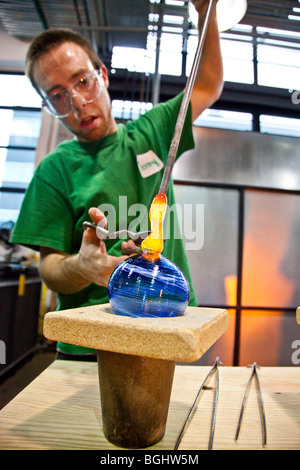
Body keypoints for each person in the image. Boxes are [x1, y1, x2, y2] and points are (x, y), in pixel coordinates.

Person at [10, 0, 223, 360]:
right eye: (58, 96)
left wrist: (207, 13)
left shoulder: (153, 132)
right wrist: (81, 267)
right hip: (92, 342)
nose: (77, 103)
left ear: (103, 76)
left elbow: (206, 86)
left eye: (82, 81)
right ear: (48, 106)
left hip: (168, 330)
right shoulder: (54, 170)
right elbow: (49, 267)